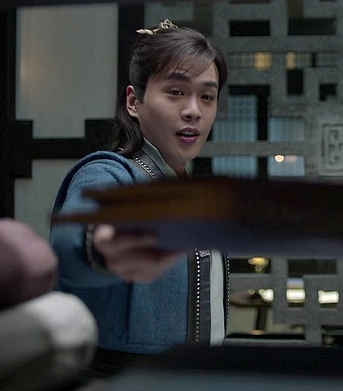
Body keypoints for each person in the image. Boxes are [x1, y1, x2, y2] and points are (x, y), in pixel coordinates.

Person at [50, 20, 229, 376]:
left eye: (207, 97)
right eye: (175, 92)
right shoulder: (110, 173)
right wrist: (100, 241)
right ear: (134, 101)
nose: (193, 110)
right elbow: (77, 232)